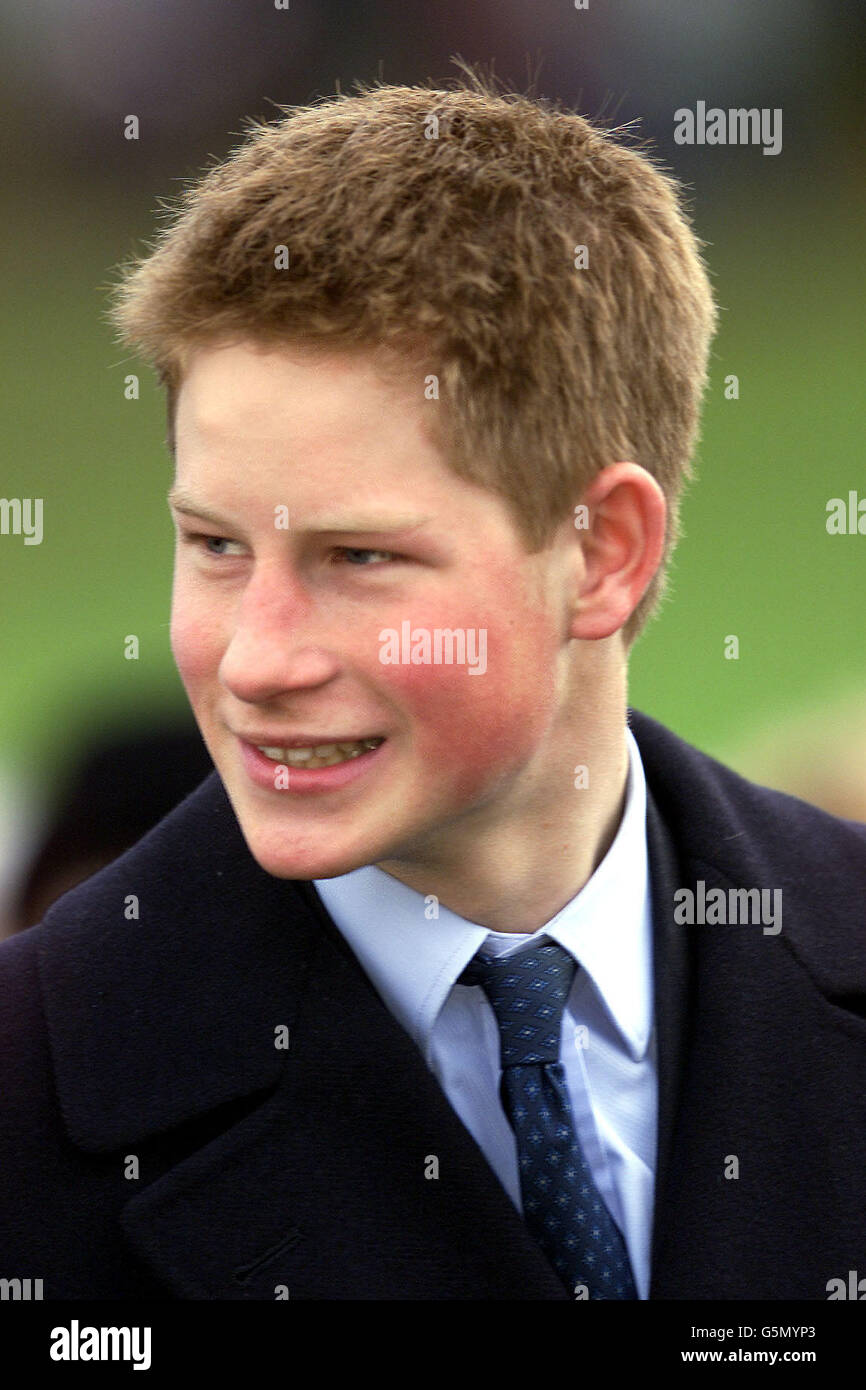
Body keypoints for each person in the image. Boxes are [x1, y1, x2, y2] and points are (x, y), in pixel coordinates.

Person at [1, 72, 864, 1302]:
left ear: (603, 550)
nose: (256, 657)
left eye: (358, 558)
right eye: (215, 545)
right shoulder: (36, 1093)